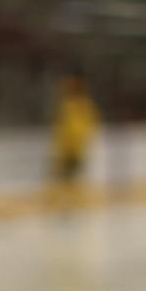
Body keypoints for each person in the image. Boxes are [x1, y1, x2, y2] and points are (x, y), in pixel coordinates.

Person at [47, 74, 100, 213]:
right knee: (62, 178)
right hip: (65, 150)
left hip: (73, 150)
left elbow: (83, 129)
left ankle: (70, 204)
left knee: (67, 179)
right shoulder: (67, 106)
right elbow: (62, 130)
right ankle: (65, 204)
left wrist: (76, 146)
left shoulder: (82, 106)